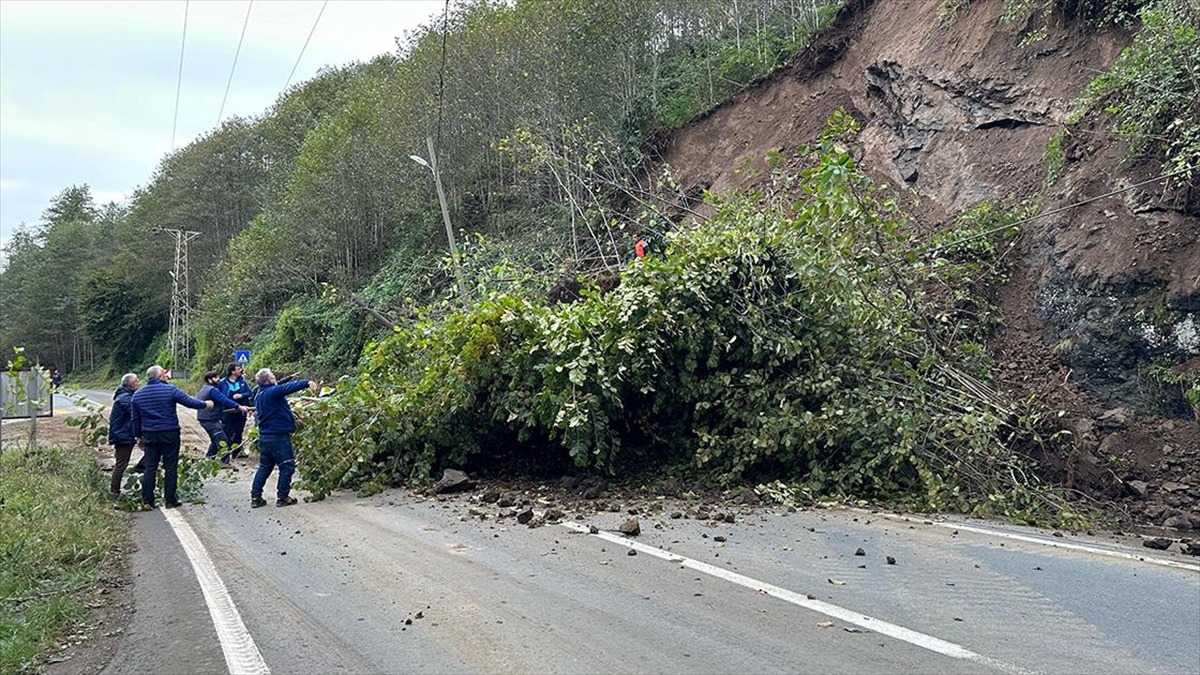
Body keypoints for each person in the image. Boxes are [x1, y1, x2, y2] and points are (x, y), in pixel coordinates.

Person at [130, 365, 213, 509]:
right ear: (160, 376)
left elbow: (135, 419)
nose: (166, 376)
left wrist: (138, 437)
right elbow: (189, 402)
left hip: (149, 434)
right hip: (169, 433)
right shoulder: (170, 390)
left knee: (150, 467)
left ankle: (147, 500)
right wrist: (205, 404)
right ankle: (170, 500)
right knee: (170, 467)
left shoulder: (138, 395)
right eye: (164, 373)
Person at [250, 368, 317, 508]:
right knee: (287, 466)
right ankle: (283, 497)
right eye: (273, 376)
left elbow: (280, 384)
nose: (275, 377)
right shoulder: (272, 392)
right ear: (269, 380)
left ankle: (256, 498)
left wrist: (290, 377)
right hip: (278, 437)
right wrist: (307, 382)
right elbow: (286, 388)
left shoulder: (259, 393)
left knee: (264, 467)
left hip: (264, 437)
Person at [198, 370, 250, 465]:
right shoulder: (212, 390)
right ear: (209, 380)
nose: (218, 379)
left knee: (215, 439)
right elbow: (224, 400)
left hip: (206, 418)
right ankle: (224, 463)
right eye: (215, 377)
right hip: (210, 419)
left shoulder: (205, 388)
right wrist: (238, 406)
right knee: (222, 439)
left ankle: (208, 460)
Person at [106, 373, 140, 495]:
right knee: (121, 464)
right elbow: (135, 410)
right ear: (130, 385)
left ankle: (115, 489)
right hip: (122, 435)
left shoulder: (124, 395)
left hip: (124, 434)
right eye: (136, 382)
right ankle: (114, 491)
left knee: (122, 462)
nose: (139, 383)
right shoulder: (125, 398)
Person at [218, 363, 253, 459]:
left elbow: (249, 392)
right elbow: (219, 396)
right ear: (232, 372)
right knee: (228, 432)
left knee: (239, 431)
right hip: (227, 412)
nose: (241, 370)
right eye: (238, 369)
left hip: (240, 411)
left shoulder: (242, 382)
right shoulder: (222, 383)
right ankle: (225, 453)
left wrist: (241, 396)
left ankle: (237, 452)